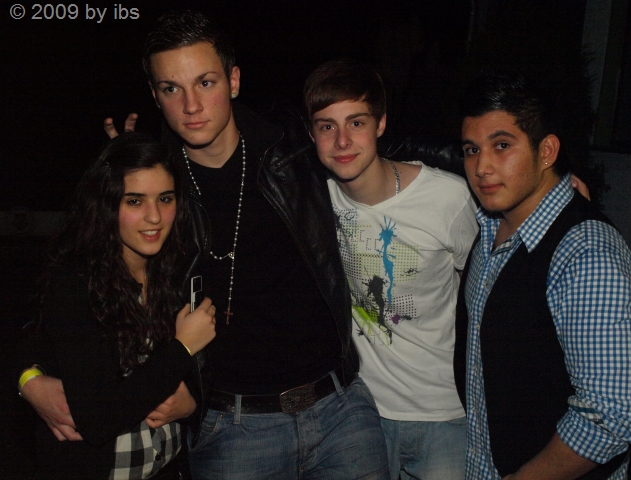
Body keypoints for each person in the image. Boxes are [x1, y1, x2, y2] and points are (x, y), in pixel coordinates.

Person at [23, 10, 390, 480]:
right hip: (232, 428)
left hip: (339, 409)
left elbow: (382, 152)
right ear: (155, 95)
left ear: (233, 81)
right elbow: (64, 294)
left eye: (205, 82)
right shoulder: (154, 187)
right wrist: (26, 377)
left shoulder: (292, 147)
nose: (191, 105)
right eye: (171, 89)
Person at [454, 71, 631, 479]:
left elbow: (610, 416)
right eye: (471, 149)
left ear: (547, 150)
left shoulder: (587, 254)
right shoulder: (490, 227)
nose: (482, 166)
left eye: (502, 145)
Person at [303, 59, 478, 479]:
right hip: (357, 415)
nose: (342, 140)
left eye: (356, 122)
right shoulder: (314, 198)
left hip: (444, 414)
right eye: (327, 126)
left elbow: (489, 287)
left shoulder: (448, 199)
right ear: (311, 134)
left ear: (380, 124)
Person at [16, 133, 217, 479]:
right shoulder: (78, 283)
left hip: (168, 468)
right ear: (107, 204)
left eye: (165, 199)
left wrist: (193, 403)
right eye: (135, 201)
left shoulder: (178, 271)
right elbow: (98, 419)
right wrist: (182, 348)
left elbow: (217, 366)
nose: (154, 217)